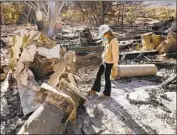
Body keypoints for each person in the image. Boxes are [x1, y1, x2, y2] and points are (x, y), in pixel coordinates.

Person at [87, 24, 119, 98]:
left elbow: (115, 55)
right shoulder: (107, 39)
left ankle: (107, 94)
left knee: (107, 77)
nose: (103, 36)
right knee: (98, 74)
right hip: (104, 61)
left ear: (107, 33)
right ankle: (94, 89)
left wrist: (115, 67)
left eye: (103, 34)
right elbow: (105, 46)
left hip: (110, 63)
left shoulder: (114, 41)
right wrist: (104, 40)